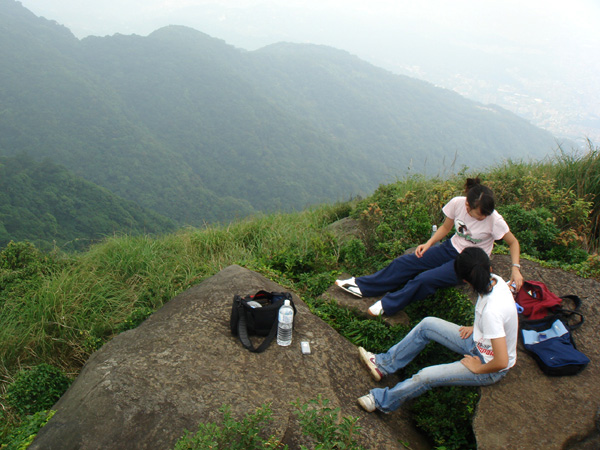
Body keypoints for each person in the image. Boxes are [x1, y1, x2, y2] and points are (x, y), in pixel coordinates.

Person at [356, 246, 518, 413]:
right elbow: (500, 319)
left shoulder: (493, 311)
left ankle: (382, 401)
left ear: (464, 281)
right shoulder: (494, 280)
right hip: (477, 340)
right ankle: (383, 364)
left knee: (426, 376)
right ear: (489, 269)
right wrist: (478, 327)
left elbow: (502, 362)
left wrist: (478, 368)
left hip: (489, 365)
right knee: (427, 325)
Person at [335, 177, 523, 316]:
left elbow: (513, 243)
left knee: (425, 279)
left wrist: (516, 269)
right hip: (450, 248)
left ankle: (388, 304)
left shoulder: (494, 219)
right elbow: (446, 227)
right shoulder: (458, 203)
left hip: (471, 261)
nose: (482, 218)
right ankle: (362, 285)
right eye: (478, 214)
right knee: (407, 262)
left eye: (484, 215)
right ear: (467, 205)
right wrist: (428, 243)